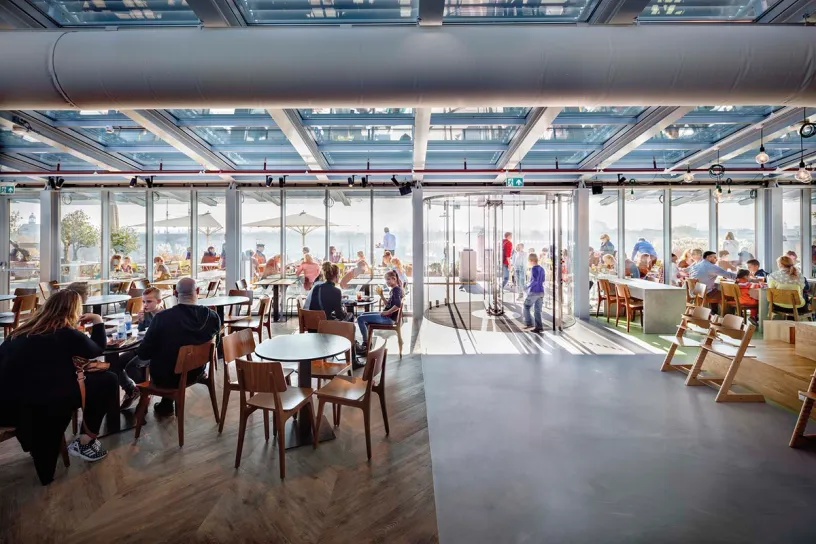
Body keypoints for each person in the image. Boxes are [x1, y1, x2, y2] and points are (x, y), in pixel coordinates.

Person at [0, 290, 118, 483]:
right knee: (108, 380)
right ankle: (86, 440)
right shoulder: (66, 333)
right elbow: (97, 348)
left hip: (7, 405)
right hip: (43, 404)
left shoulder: (20, 332)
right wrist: (97, 320)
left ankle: (43, 444)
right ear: (74, 311)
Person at [136, 277, 221, 416]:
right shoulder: (213, 316)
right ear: (198, 291)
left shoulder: (162, 318)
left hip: (167, 377)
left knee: (162, 358)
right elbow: (214, 346)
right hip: (196, 371)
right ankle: (166, 403)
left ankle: (150, 402)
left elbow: (143, 354)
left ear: (175, 293)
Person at [115, 287, 164, 410]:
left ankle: (145, 391)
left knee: (131, 366)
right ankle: (131, 389)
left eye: (149, 301)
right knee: (115, 363)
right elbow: (142, 333)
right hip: (142, 347)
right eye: (143, 301)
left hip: (156, 352)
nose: (145, 305)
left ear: (158, 301)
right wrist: (141, 321)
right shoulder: (146, 314)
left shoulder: (164, 315)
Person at [356, 270, 402, 354]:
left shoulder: (396, 290)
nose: (386, 282)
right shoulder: (394, 289)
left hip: (388, 319)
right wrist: (381, 296)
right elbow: (389, 304)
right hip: (387, 316)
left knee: (360, 318)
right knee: (363, 315)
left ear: (394, 279)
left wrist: (387, 312)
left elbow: (398, 305)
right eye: (386, 280)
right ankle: (368, 341)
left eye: (388, 279)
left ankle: (366, 343)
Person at [523, 253, 545, 333]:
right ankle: (539, 327)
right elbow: (542, 280)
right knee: (537, 310)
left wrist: (527, 286)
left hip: (534, 291)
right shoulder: (542, 269)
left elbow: (534, 281)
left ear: (531, 260)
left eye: (529, 260)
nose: (528, 262)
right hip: (541, 291)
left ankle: (529, 323)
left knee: (526, 306)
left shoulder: (533, 269)